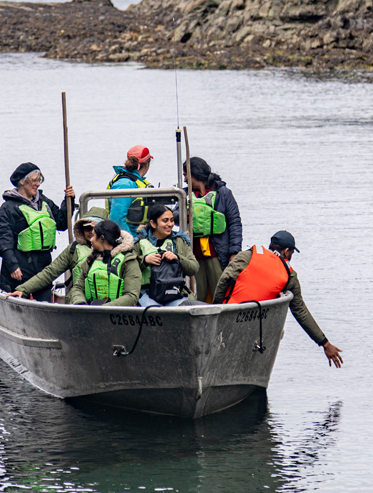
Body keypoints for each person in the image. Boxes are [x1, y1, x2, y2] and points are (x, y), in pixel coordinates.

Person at [214, 230, 343, 368]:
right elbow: (300, 312)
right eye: (292, 253)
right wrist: (325, 343)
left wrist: (217, 310)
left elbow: (224, 280)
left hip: (226, 318)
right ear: (287, 251)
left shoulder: (248, 255)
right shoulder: (289, 275)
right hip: (253, 330)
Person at [0, 162, 74, 299]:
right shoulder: (8, 209)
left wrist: (69, 200)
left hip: (43, 267)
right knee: (20, 304)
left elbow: (62, 222)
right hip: (20, 270)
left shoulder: (44, 202)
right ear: (22, 182)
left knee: (45, 304)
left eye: (39, 180)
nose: (38, 184)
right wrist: (13, 266)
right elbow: (3, 240)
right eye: (34, 180)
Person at [186, 156, 242, 303]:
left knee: (221, 290)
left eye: (186, 174)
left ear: (195, 174)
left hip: (217, 252)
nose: (184, 179)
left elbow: (234, 223)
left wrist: (234, 251)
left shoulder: (223, 193)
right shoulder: (185, 195)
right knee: (199, 293)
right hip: (194, 255)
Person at [5, 217, 98, 303]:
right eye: (87, 229)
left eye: (94, 229)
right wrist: (23, 289)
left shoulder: (111, 249)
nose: (91, 232)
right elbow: (49, 273)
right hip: (79, 302)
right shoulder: (73, 250)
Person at [136, 204, 198, 306]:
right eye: (165, 220)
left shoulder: (180, 241)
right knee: (153, 311)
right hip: (146, 293)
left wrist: (177, 258)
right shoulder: (139, 242)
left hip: (174, 292)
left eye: (172, 220)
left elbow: (194, 268)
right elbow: (126, 267)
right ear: (153, 223)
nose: (170, 224)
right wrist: (145, 260)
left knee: (188, 307)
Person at [71, 219, 141, 306]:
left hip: (119, 317)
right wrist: (80, 303)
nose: (91, 240)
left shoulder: (128, 261)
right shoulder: (90, 260)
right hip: (91, 313)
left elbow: (131, 296)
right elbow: (78, 287)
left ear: (102, 238)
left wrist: (104, 309)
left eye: (93, 235)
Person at [107, 145, 154, 240]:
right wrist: (131, 241)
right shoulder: (124, 184)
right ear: (147, 164)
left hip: (142, 237)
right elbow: (117, 219)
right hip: (130, 239)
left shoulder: (139, 182)